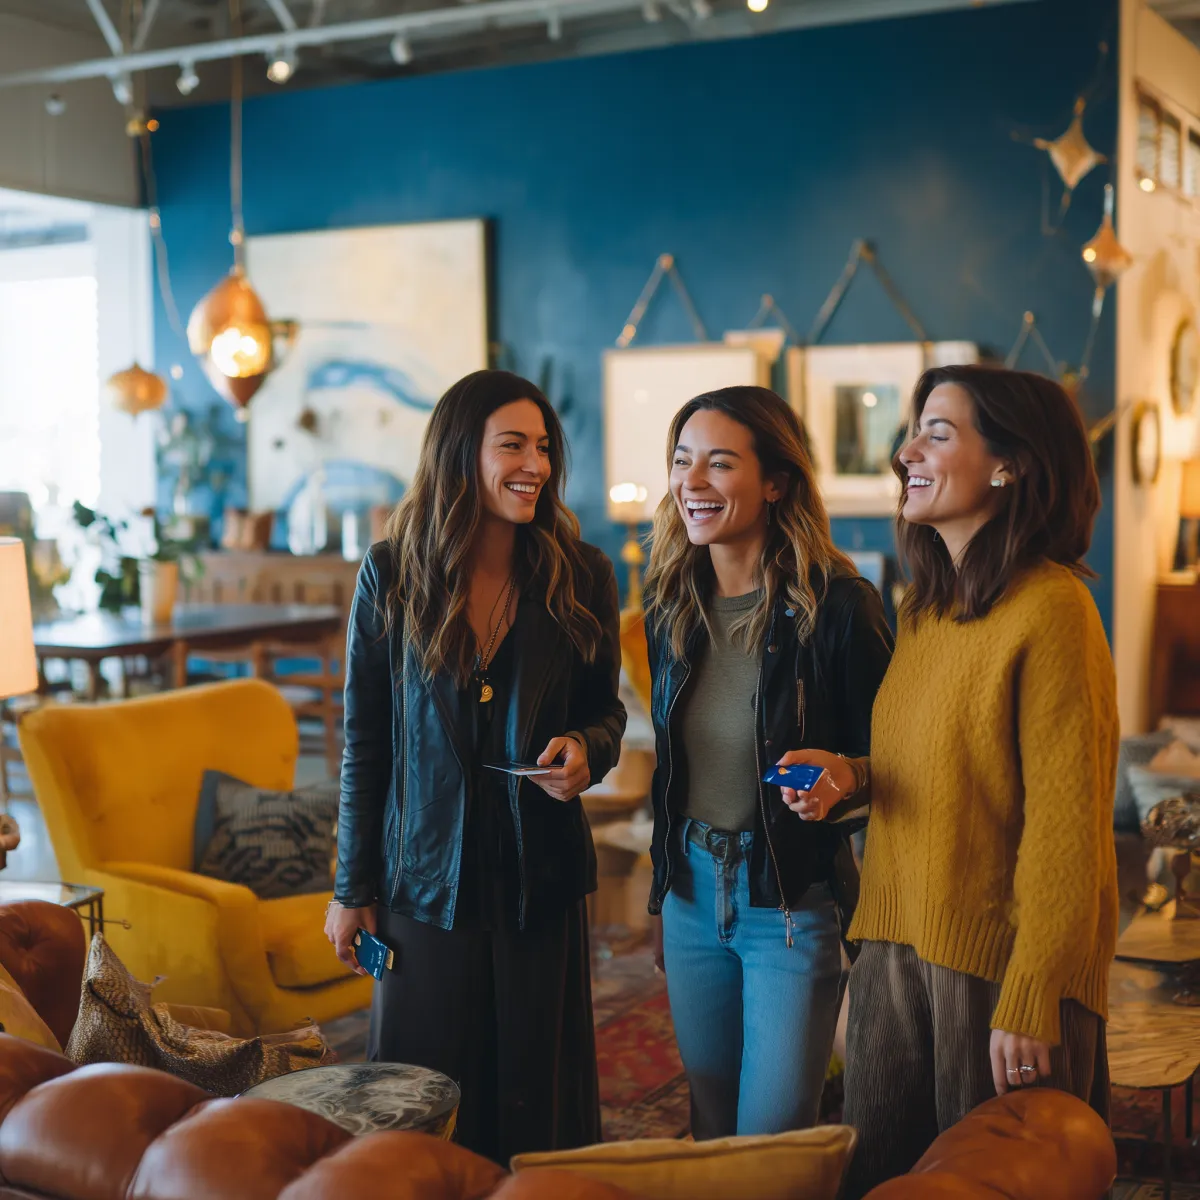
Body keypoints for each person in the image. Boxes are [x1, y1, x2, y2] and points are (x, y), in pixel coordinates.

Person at [784, 364, 1118, 1197]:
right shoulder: (927, 608)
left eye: (939, 432)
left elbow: (1066, 827)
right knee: (882, 1180)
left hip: (998, 969)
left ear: (1010, 464)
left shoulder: (1053, 609)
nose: (907, 452)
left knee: (993, 1183)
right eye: (914, 430)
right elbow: (938, 763)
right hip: (898, 949)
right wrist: (852, 778)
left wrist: (1032, 995)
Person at [325, 369, 626, 1164]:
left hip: (541, 878)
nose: (536, 463)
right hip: (422, 881)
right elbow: (366, 745)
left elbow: (608, 711)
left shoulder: (583, 572)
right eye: (513, 445)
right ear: (462, 453)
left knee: (535, 1093)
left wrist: (587, 752)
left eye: (544, 447)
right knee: (422, 1098)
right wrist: (351, 889)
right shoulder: (392, 573)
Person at [643, 385, 893, 1139]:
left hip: (789, 900)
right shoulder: (668, 600)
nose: (693, 482)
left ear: (776, 481)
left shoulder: (841, 605)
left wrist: (844, 779)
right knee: (714, 1120)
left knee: (774, 1134)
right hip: (690, 890)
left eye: (720, 464)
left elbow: (896, 758)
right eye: (683, 462)